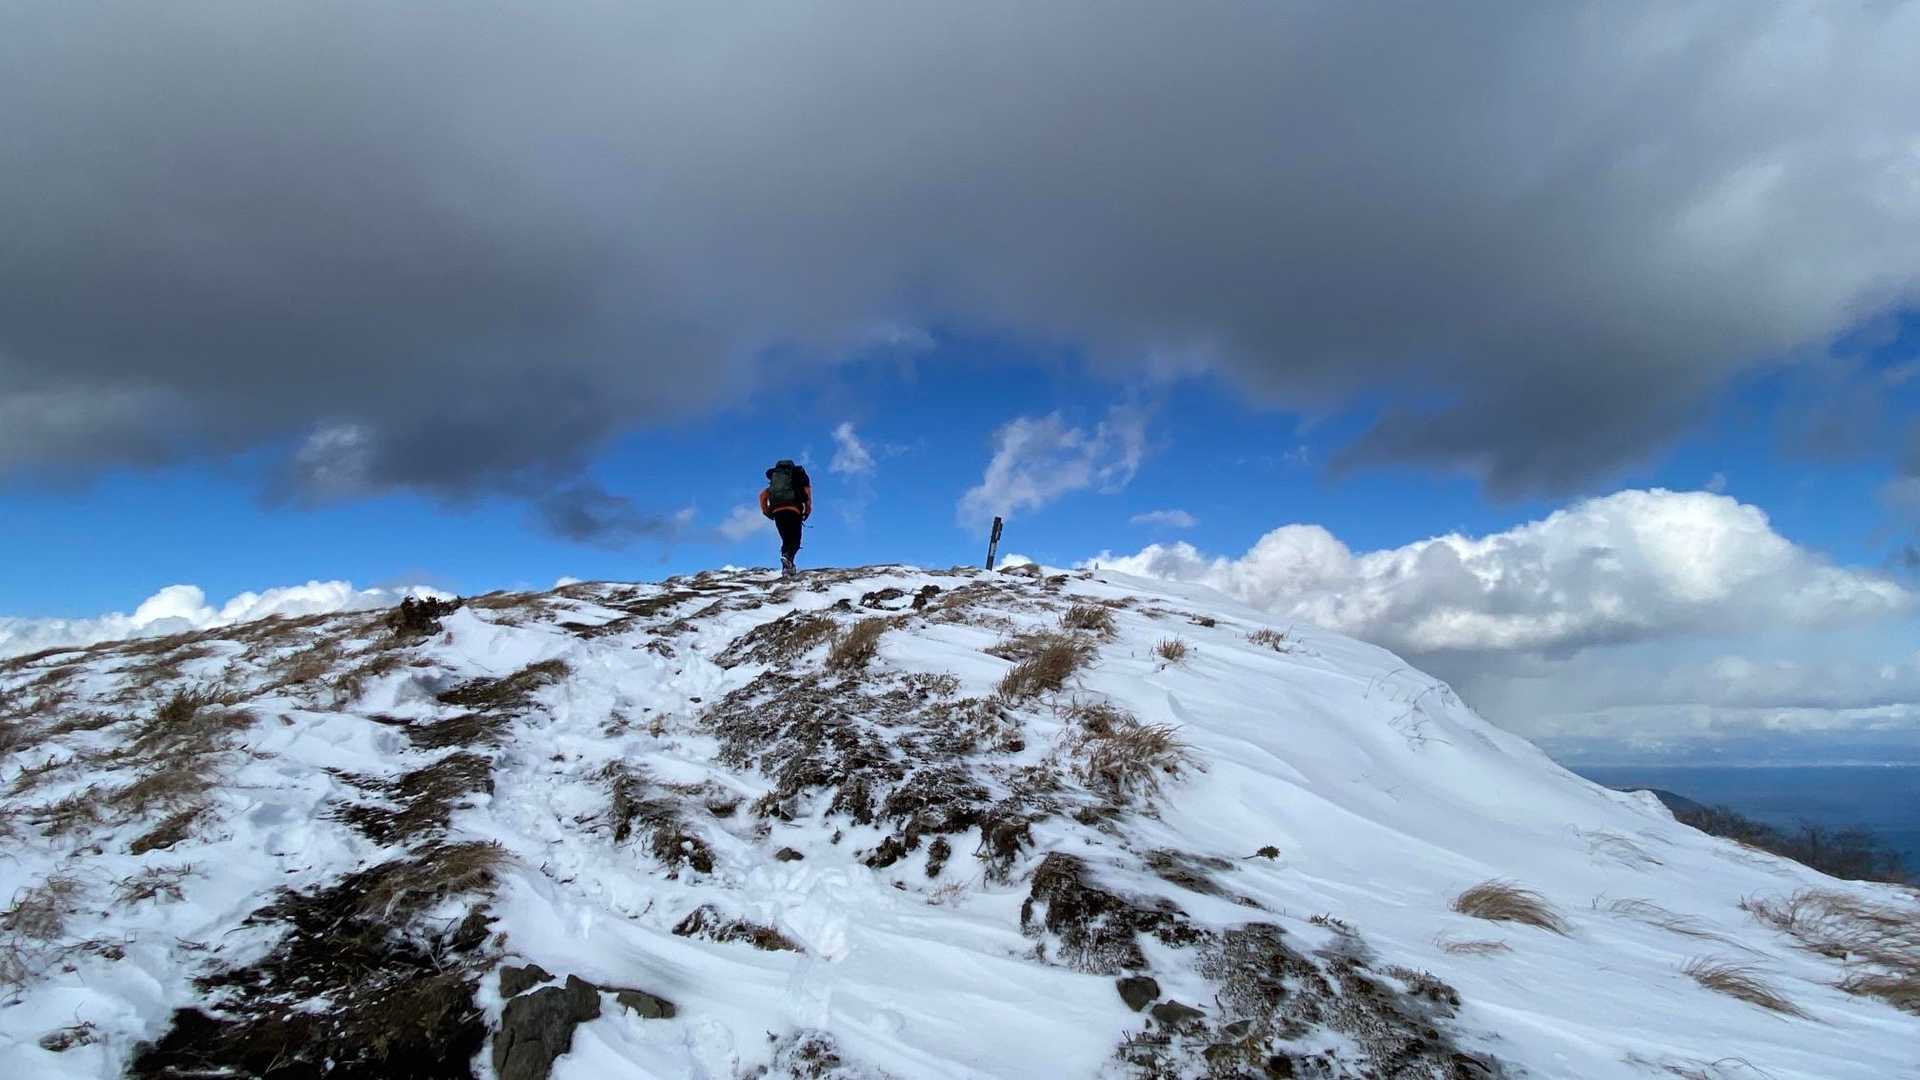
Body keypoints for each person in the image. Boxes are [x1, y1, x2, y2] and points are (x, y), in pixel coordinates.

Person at [758, 459, 812, 577]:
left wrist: (767, 512)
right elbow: (807, 494)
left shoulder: (774, 485)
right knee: (795, 540)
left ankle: (786, 569)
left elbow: (762, 496)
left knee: (786, 540)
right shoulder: (797, 480)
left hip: (777, 511)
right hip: (793, 510)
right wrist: (808, 509)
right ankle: (788, 558)